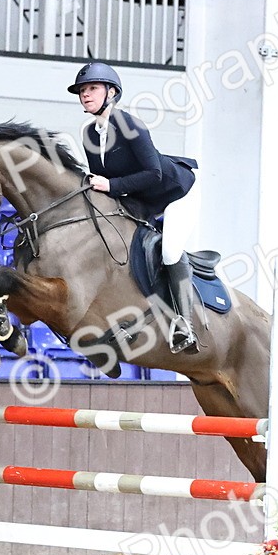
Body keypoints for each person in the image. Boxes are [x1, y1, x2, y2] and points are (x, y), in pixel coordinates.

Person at [68, 61, 200, 353]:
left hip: (176, 192)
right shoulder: (89, 134)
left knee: (169, 252)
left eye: (92, 88)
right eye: (82, 90)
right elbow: (100, 180)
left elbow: (154, 173)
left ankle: (184, 325)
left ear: (112, 92)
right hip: (140, 200)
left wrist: (111, 186)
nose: (85, 94)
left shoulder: (130, 125)